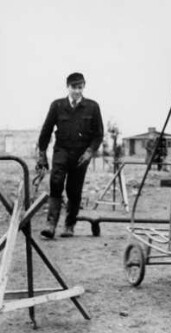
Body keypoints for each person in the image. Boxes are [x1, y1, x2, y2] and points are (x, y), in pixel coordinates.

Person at [36, 72, 104, 238]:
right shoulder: (57, 105)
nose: (77, 91)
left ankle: (69, 225)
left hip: (81, 155)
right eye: (74, 87)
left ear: (84, 86)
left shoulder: (92, 107)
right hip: (62, 151)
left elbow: (99, 134)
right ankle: (51, 225)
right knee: (56, 182)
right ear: (68, 87)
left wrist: (89, 152)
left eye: (80, 87)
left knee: (74, 189)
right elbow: (46, 131)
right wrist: (42, 154)